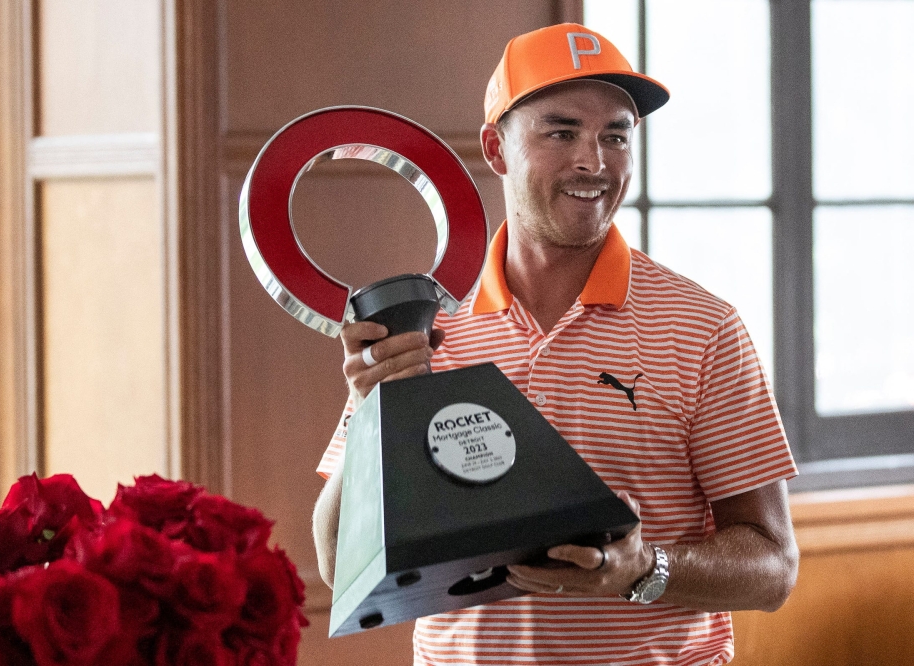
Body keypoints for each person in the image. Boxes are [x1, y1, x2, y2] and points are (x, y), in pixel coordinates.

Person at [312, 23, 799, 665]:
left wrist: (646, 569)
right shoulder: (427, 329)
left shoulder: (703, 328)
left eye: (616, 136)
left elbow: (772, 565)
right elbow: (333, 559)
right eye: (562, 132)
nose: (593, 162)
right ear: (496, 148)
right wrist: (374, 407)